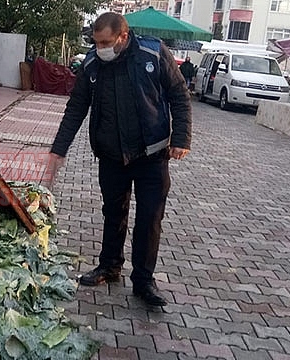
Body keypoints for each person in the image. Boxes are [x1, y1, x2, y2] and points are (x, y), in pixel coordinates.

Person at [47, 12, 191, 306]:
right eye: (96, 42)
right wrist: (58, 148)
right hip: (112, 156)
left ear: (123, 37)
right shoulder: (92, 64)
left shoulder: (153, 53)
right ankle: (110, 266)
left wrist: (181, 139)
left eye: (105, 42)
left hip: (152, 153)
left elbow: (179, 94)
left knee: (150, 218)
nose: (100, 48)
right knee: (114, 212)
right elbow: (76, 107)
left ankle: (143, 281)